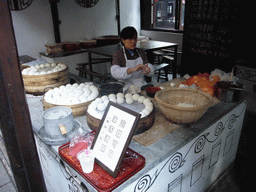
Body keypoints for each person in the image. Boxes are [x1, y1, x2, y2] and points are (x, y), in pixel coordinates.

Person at [111, 26, 155, 92]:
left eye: (135, 39)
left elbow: (147, 64)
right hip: (126, 86)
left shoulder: (141, 52)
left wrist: (148, 69)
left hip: (141, 84)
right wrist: (132, 69)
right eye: (130, 39)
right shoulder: (118, 54)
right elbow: (114, 72)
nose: (133, 41)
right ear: (123, 40)